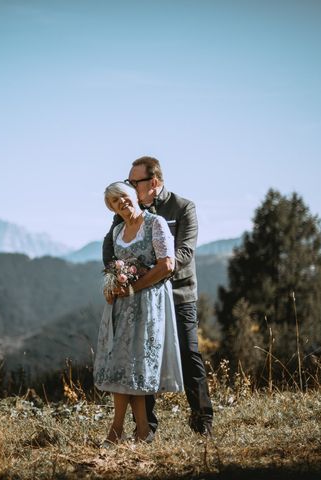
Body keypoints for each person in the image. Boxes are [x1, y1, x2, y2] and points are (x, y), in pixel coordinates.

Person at [102, 156, 214, 436]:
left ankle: (202, 421)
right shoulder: (127, 211)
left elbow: (184, 253)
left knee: (189, 354)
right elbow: (110, 245)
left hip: (178, 294)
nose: (129, 186)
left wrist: (147, 276)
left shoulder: (183, 207)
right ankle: (146, 427)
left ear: (153, 182)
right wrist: (115, 276)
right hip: (140, 298)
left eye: (133, 181)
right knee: (141, 356)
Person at [93, 181, 184, 445]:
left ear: (134, 195)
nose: (120, 202)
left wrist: (134, 287)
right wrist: (112, 286)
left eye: (123, 196)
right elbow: (114, 269)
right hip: (122, 305)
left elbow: (167, 264)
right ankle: (141, 431)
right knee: (125, 365)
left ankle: (116, 431)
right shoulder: (118, 231)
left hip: (149, 303)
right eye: (113, 202)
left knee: (136, 364)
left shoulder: (156, 223)